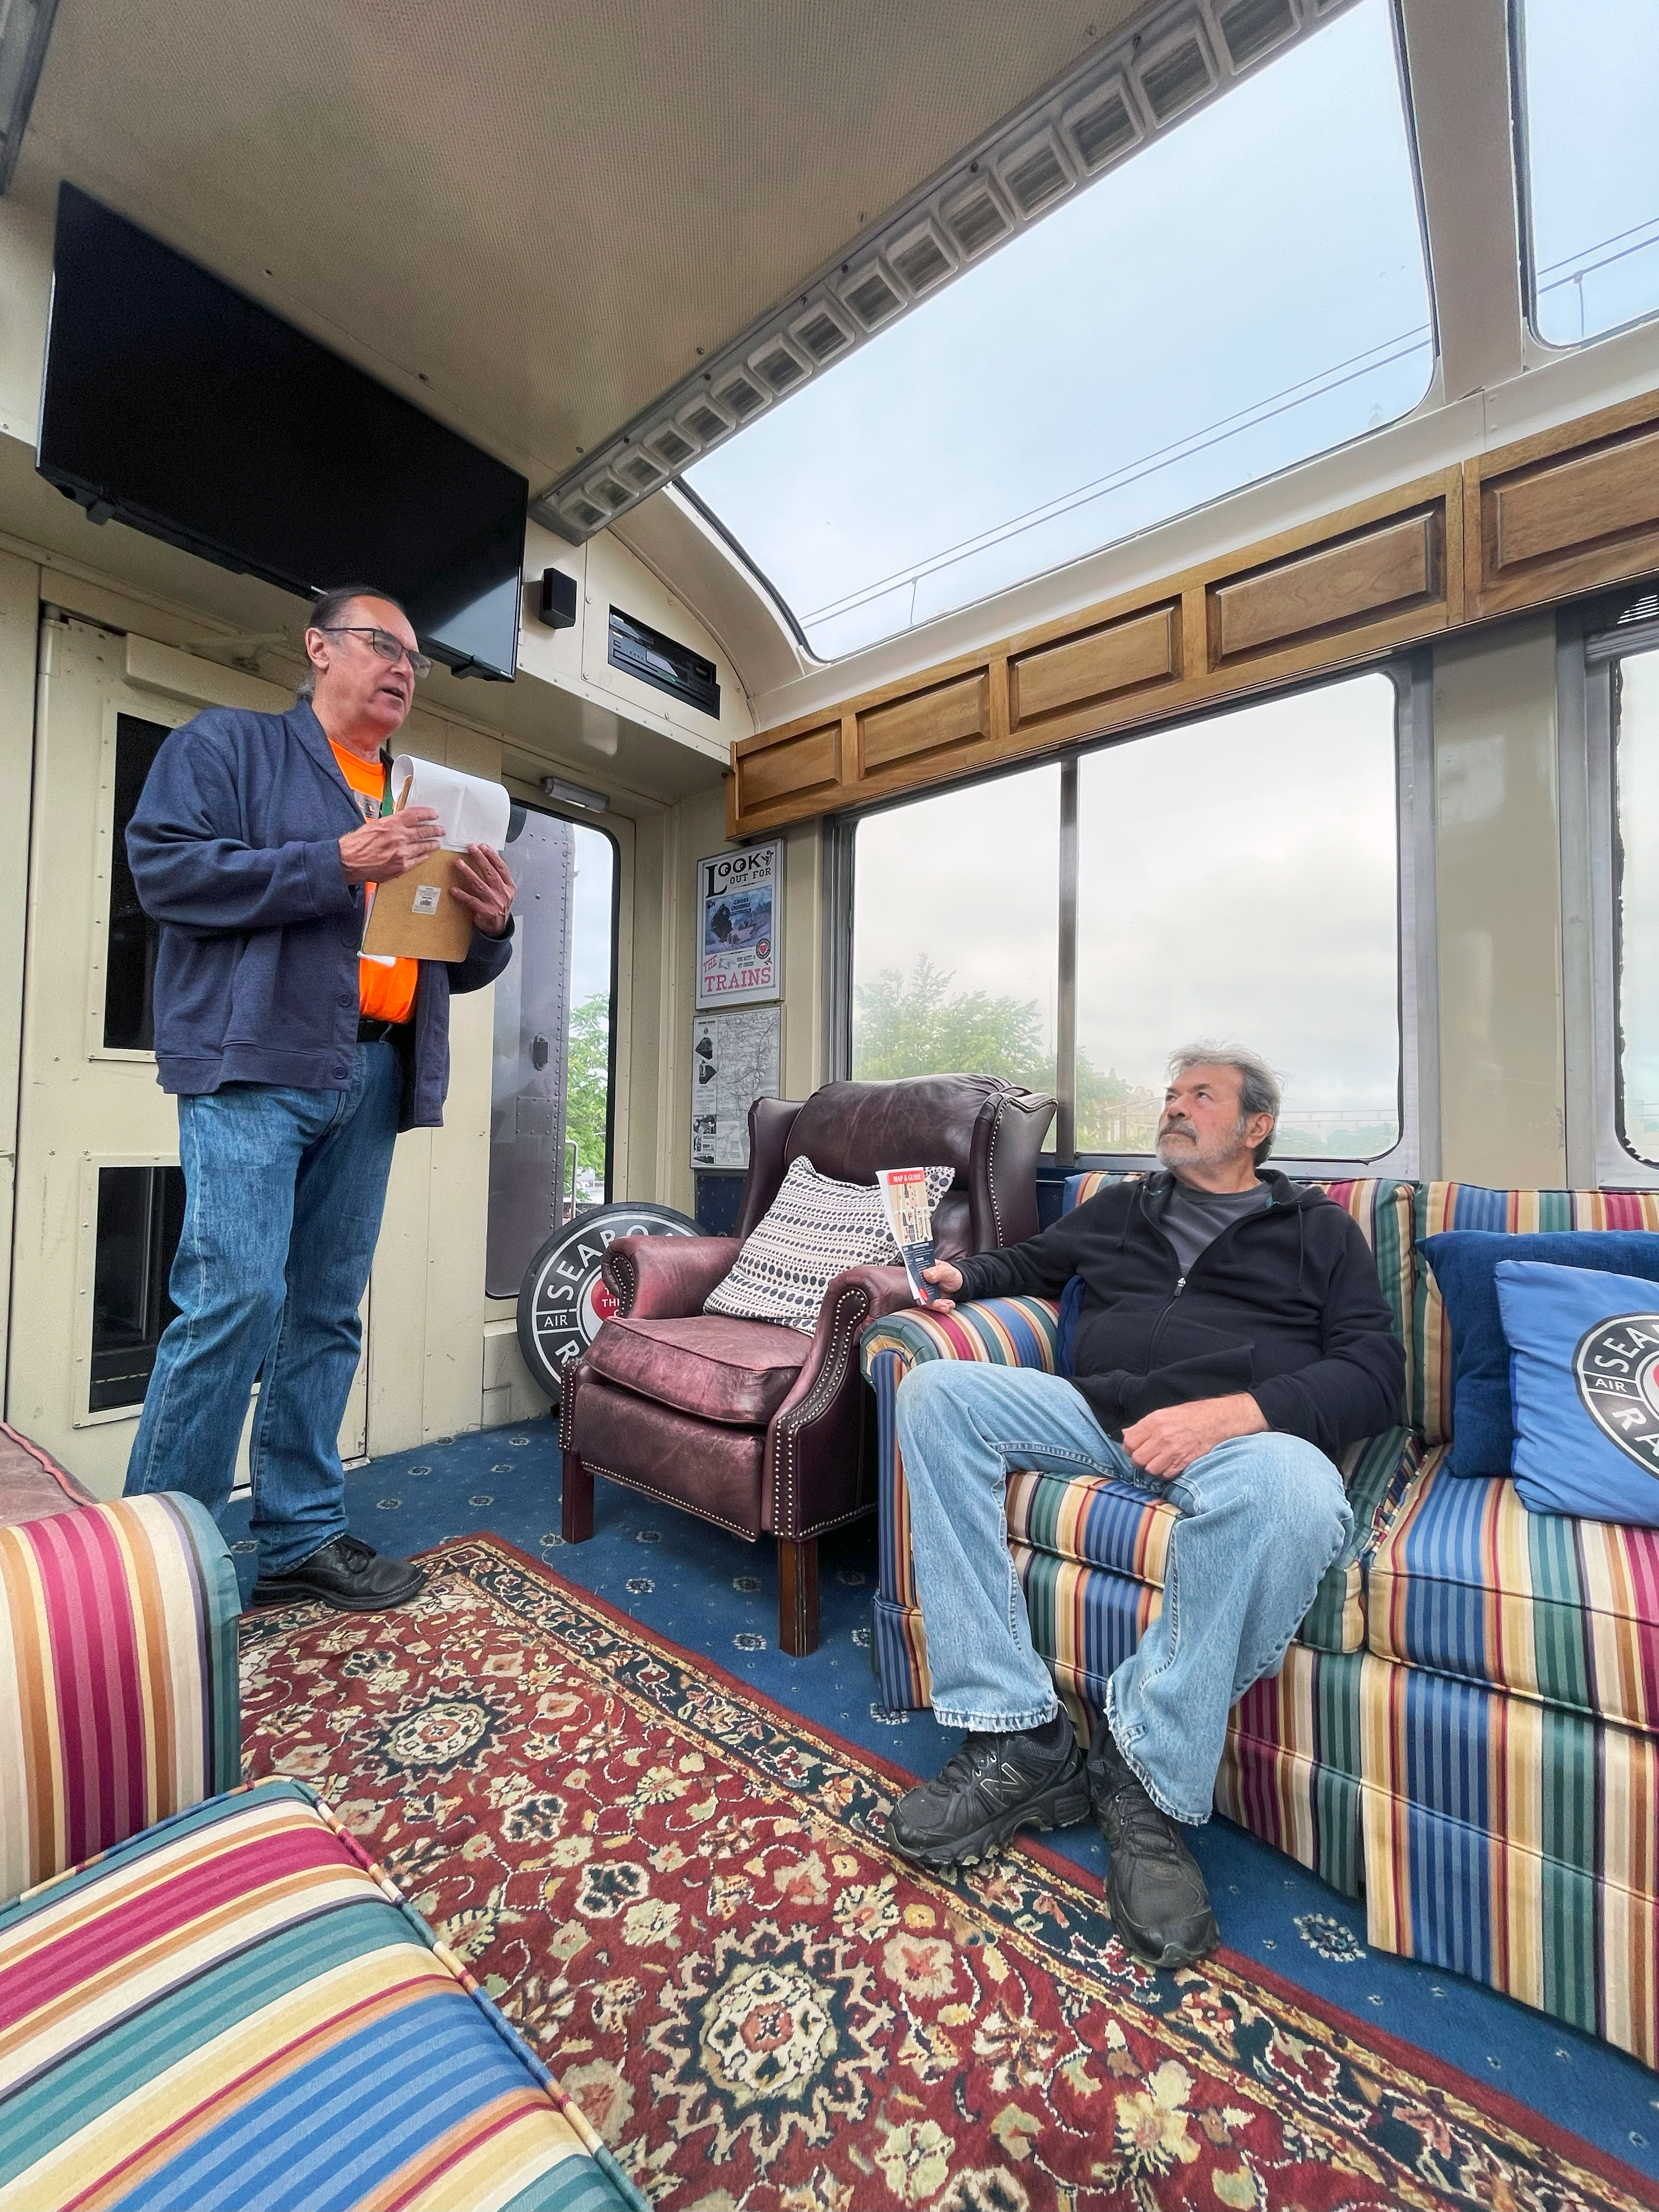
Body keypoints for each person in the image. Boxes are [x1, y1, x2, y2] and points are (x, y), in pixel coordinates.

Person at [885, 1047, 1404, 1969]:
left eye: (1199, 1095)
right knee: (935, 1395)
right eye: (1170, 1094)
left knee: (1295, 1492)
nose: (1175, 1107)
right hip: (1097, 1413)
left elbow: (1374, 1375)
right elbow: (1032, 1261)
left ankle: (1146, 1777)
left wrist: (1234, 1416)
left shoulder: (1318, 1231)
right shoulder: (1123, 1205)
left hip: (1242, 1443)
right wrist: (964, 1281)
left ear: (1257, 1126)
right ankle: (1021, 1735)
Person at [123, 584, 517, 1612]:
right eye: (381, 646)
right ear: (318, 649)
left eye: (415, 660)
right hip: (257, 1064)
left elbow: (446, 962)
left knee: (328, 1312)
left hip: (376, 1070)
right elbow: (166, 874)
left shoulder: (418, 789)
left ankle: (299, 1533)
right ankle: (162, 1565)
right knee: (235, 1300)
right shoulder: (230, 748)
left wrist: (492, 925)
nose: (403, 668)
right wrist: (333, 861)